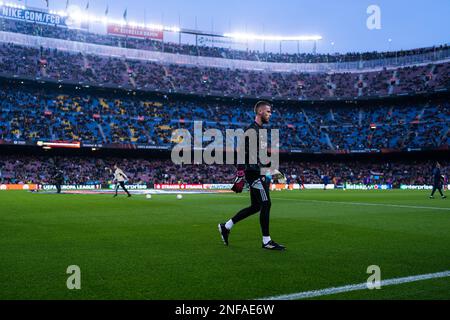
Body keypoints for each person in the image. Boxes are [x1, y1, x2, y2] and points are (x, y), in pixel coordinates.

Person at [218, 101, 286, 251]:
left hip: (258, 172)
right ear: (260, 112)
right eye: (268, 111)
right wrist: (240, 174)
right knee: (266, 204)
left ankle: (226, 226)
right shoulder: (252, 130)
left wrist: (272, 169)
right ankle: (266, 241)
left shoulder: (259, 131)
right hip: (254, 174)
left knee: (256, 206)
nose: (270, 114)